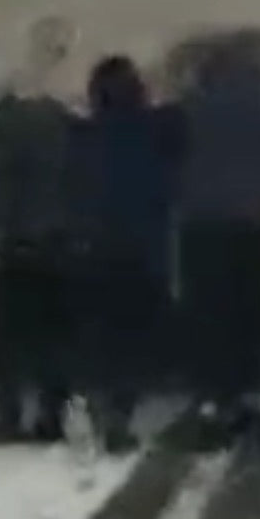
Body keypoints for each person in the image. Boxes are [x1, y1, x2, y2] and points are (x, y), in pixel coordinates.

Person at [175, 28, 260, 450]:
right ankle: (248, 396)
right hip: (255, 220)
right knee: (250, 309)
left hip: (201, 221)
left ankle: (211, 399)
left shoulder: (189, 106)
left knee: (209, 312)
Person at [71, 55, 183, 454]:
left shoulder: (82, 134)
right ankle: (119, 413)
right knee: (133, 338)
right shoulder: (159, 127)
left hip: (93, 245)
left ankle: (96, 404)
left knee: (99, 332)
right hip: (143, 246)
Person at [0, 87, 81, 446]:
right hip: (63, 243)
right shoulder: (67, 131)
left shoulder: (6, 143)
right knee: (56, 334)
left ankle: (9, 417)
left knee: (3, 337)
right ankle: (51, 418)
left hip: (19, 246)